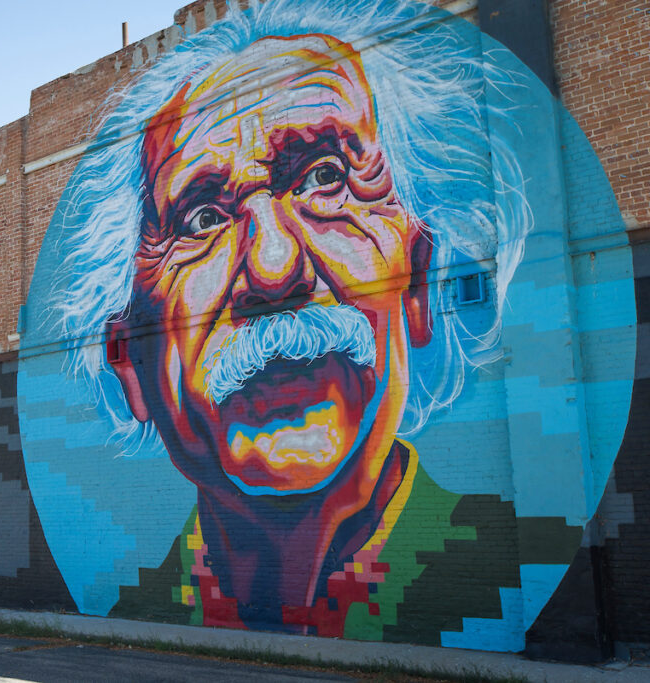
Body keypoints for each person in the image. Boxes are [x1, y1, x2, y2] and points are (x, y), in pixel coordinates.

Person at [34, 0, 581, 642]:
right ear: (131, 362)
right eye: (203, 219)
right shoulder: (124, 621)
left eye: (326, 178)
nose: (274, 267)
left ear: (418, 286)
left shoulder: (515, 579)